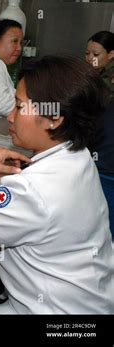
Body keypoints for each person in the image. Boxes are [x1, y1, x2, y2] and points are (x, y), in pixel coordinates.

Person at [0, 55, 113, 314]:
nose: (10, 117)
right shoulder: (79, 157)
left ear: (54, 118)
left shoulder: (31, 190)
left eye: (19, 107)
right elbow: (36, 195)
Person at [86, 31, 114, 241]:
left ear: (112, 54)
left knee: (103, 230)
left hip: (105, 165)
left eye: (95, 54)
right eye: (86, 53)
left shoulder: (104, 85)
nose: (89, 59)